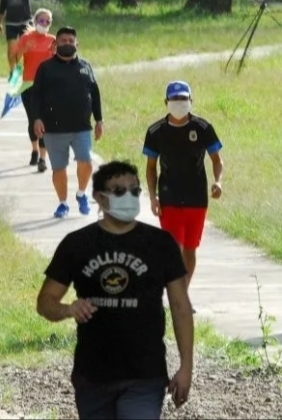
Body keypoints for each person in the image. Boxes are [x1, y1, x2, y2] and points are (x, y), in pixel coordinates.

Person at [36, 160, 194, 419]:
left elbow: (181, 306)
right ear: (99, 197)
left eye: (134, 190)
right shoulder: (77, 244)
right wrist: (67, 309)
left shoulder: (161, 244)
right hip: (93, 375)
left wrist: (186, 366)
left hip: (145, 374)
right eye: (119, 191)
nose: (129, 196)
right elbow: (45, 302)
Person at [143, 81, 224, 293]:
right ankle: (175, 294)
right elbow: (151, 168)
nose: (179, 103)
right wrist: (153, 197)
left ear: (191, 101)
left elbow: (217, 160)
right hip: (169, 198)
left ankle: (183, 295)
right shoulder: (155, 131)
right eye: (175, 99)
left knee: (190, 250)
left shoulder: (203, 128)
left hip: (196, 198)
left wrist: (218, 181)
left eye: (183, 98)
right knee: (173, 250)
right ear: (166, 102)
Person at [30, 26, 104, 219]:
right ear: (55, 45)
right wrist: (36, 119)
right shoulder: (45, 68)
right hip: (54, 129)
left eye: (71, 41)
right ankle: (63, 203)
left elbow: (95, 94)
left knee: (85, 162)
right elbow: (35, 96)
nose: (67, 44)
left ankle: (81, 194)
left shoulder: (85, 66)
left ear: (77, 44)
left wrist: (99, 120)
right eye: (63, 41)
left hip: (81, 127)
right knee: (59, 168)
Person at [12, 8, 55, 172]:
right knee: (32, 120)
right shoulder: (26, 38)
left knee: (43, 122)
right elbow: (14, 58)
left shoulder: (53, 41)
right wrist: (22, 51)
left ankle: (43, 159)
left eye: (47, 22)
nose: (44, 24)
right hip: (29, 85)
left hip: (46, 87)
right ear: (35, 21)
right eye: (41, 21)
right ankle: (34, 150)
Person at [0, 0, 42, 76]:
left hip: (25, 22)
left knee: (26, 49)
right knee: (11, 51)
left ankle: (27, 70)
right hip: (11, 23)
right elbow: (2, 7)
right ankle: (13, 71)